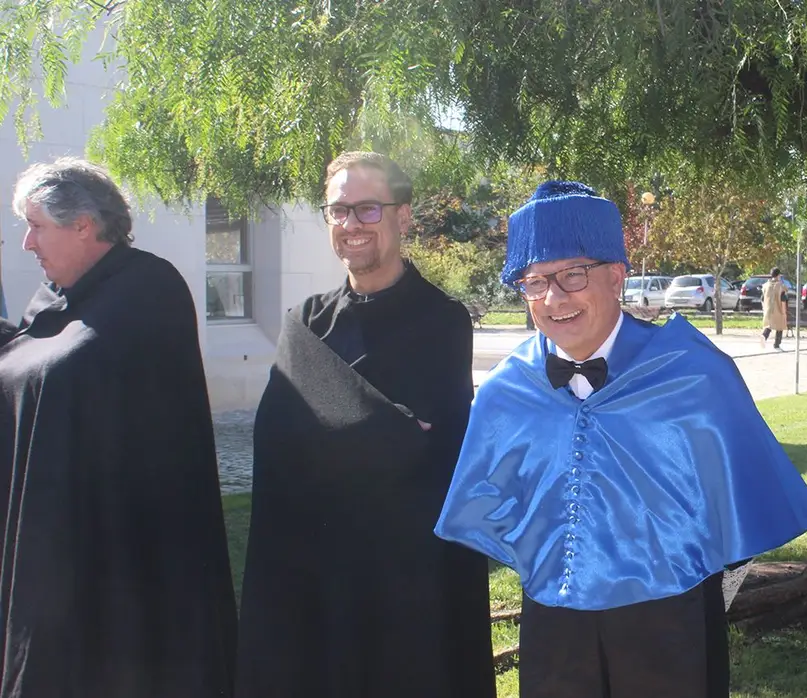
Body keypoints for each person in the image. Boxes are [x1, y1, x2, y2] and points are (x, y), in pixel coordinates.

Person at [435, 180, 807, 698]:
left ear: (616, 276)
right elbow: (488, 506)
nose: (554, 297)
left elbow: (742, 506)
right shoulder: (508, 390)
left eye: (573, 274)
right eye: (534, 281)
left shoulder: (692, 375)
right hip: (554, 628)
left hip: (668, 621)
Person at [235, 151, 495, 698]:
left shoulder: (441, 320)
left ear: (403, 216)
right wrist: (381, 430)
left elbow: (425, 451)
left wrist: (343, 433)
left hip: (405, 572)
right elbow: (277, 435)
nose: (351, 224)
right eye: (338, 211)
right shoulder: (307, 321)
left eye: (368, 209)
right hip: (318, 563)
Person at [0, 158, 237, 697]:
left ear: (83, 225)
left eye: (36, 225)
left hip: (127, 549)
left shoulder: (148, 290)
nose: (26, 243)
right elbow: (27, 356)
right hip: (55, 540)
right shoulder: (54, 300)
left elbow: (72, 375)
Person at [760, 267, 789, 349]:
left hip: (768, 310)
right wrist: (784, 312)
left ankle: (763, 337)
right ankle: (777, 344)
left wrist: (764, 308)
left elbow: (762, 298)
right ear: (778, 275)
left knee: (768, 326)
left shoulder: (765, 286)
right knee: (780, 326)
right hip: (778, 309)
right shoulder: (781, 286)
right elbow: (783, 299)